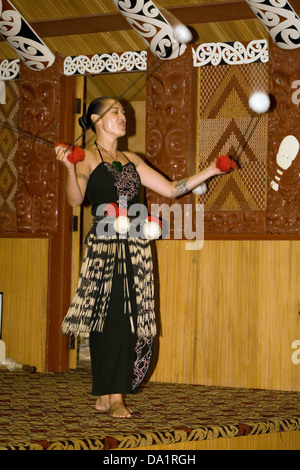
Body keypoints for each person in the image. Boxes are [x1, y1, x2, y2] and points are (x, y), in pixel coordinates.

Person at [55, 96, 225, 419]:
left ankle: (106, 395)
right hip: (105, 248)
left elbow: (173, 188)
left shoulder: (132, 159)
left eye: (123, 111)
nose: (123, 116)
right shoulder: (86, 158)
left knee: (130, 318)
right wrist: (69, 166)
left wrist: (212, 170)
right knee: (110, 319)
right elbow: (75, 200)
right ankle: (112, 394)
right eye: (115, 111)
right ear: (94, 119)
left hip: (135, 247)